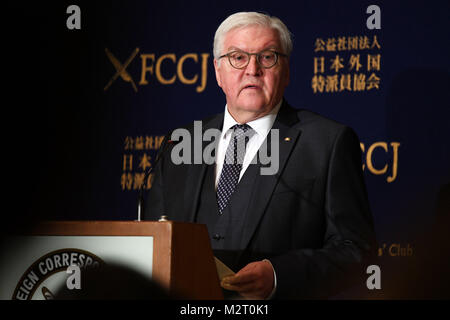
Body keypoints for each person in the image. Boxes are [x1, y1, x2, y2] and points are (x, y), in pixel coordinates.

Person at [144, 11, 376, 299]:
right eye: (238, 57)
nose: (252, 69)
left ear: (287, 70)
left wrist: (279, 275)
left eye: (267, 57)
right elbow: (151, 242)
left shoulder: (327, 142)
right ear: (217, 71)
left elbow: (356, 250)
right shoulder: (181, 143)